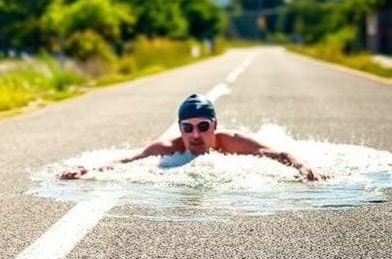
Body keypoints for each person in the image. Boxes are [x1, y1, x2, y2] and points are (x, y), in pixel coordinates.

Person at [58, 93, 328, 182]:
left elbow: (278, 154)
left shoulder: (232, 142)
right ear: (180, 129)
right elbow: (127, 159)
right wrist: (86, 169)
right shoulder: (167, 149)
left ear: (215, 125)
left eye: (202, 126)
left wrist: (304, 166)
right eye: (187, 128)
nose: (196, 135)